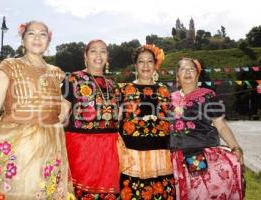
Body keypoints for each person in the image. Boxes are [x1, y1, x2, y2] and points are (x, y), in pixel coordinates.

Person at [0, 21, 72, 200]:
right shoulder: (9, 65)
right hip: (21, 145)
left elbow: (54, 101)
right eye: (31, 33)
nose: (37, 37)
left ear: (48, 41)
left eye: (42, 34)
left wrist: (64, 107)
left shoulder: (56, 72)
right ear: (23, 40)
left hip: (51, 145)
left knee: (45, 193)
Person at [170, 57, 244, 200]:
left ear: (198, 74)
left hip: (199, 154)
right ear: (177, 75)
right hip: (175, 158)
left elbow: (220, 124)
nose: (187, 72)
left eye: (191, 69)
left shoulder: (208, 95)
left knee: (201, 194)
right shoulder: (169, 98)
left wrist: (235, 147)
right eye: (183, 69)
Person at [61, 39, 119, 199]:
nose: (98, 55)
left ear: (107, 57)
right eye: (93, 51)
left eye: (103, 51)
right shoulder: (73, 79)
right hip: (81, 148)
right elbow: (62, 111)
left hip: (110, 151)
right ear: (85, 56)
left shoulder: (113, 85)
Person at [118, 45, 176, 200]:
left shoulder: (164, 90)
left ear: (155, 64)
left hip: (161, 155)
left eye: (149, 61)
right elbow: (116, 122)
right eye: (141, 61)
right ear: (135, 65)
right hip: (132, 156)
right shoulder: (124, 89)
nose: (145, 65)